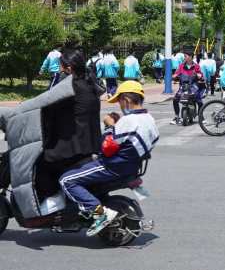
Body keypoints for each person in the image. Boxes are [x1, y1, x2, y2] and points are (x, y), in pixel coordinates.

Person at [59, 81, 158, 237]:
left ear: (126, 100)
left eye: (119, 101)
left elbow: (105, 147)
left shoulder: (128, 121)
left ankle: (99, 213)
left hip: (113, 166)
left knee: (66, 180)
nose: (119, 104)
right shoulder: (150, 120)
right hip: (131, 166)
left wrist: (110, 125)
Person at [36, 49, 104, 200]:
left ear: (69, 68)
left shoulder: (69, 88)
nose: (59, 70)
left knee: (40, 164)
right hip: (91, 144)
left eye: (61, 67)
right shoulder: (90, 83)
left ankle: (52, 202)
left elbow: (48, 109)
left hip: (75, 147)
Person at [171, 53, 205, 124]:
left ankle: (201, 116)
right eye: (184, 56)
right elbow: (176, 73)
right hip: (183, 86)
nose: (184, 58)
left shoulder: (196, 66)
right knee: (175, 99)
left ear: (190, 57)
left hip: (193, 86)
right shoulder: (181, 66)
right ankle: (176, 116)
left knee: (199, 101)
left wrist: (199, 75)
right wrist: (174, 76)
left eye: (185, 56)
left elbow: (200, 74)